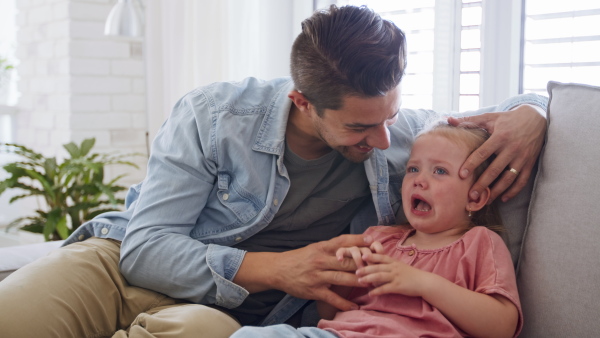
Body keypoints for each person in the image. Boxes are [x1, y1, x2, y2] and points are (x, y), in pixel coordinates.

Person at [0, 5, 545, 338]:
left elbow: (506, 109)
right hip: (122, 275)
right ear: (304, 102)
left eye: (391, 117)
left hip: (239, 318)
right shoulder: (214, 115)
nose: (383, 141)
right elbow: (146, 249)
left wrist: (533, 113)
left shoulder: (402, 136)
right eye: (359, 128)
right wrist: (279, 268)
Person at [230, 121, 522, 338]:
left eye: (439, 171)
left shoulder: (479, 242)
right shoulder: (381, 240)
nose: (419, 180)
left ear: (476, 196)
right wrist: (338, 280)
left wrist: (421, 283)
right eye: (413, 169)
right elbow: (329, 312)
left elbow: (502, 327)